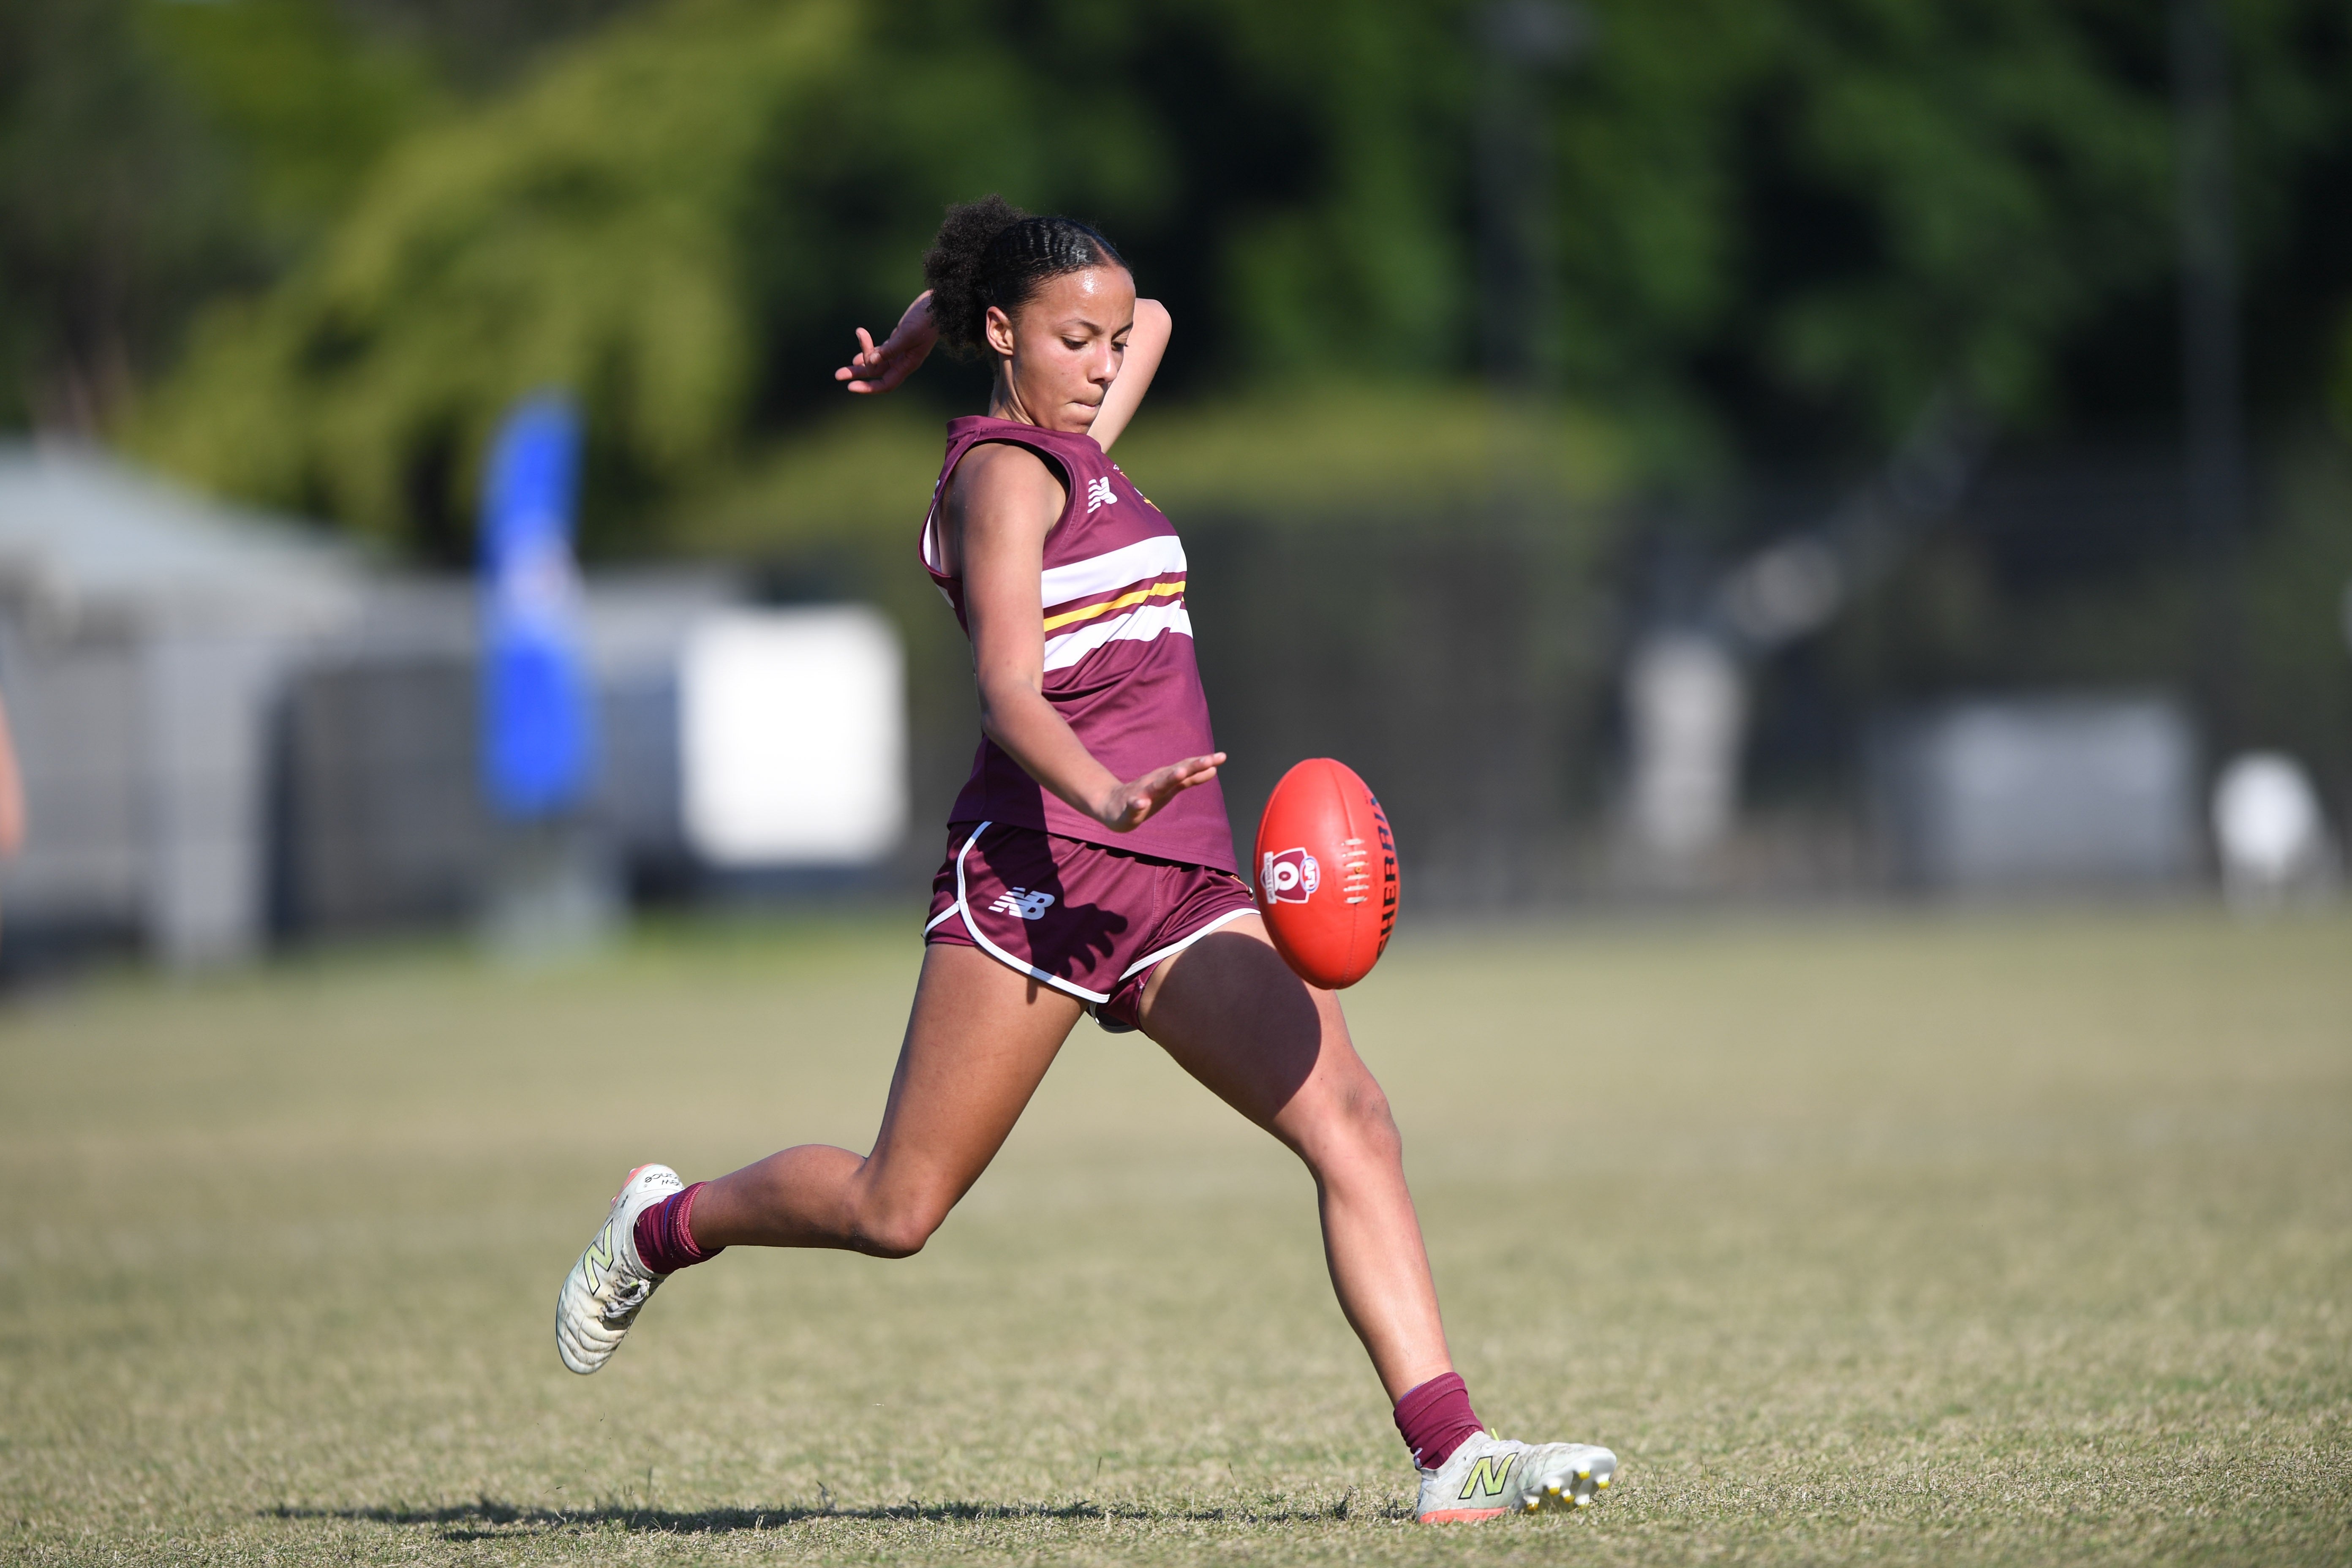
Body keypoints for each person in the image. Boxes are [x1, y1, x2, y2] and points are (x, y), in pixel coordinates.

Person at [555, 196, 1617, 1524]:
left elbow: (1152, 313)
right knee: (897, 1208)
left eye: (1111, 341)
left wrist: (932, 320)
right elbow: (1008, 690)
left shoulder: (1086, 436)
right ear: (1013, 338)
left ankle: (1452, 1455)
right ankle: (663, 1223)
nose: (1110, 361)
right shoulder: (1004, 474)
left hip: (1177, 884)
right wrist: (1108, 792)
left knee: (1352, 1119)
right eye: (1075, 340)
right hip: (1041, 882)